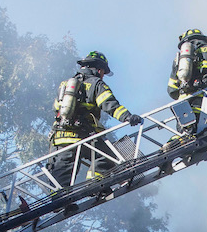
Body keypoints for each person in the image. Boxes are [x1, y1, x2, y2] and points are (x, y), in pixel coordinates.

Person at [48, 51, 142, 186]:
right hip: (83, 135)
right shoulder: (96, 83)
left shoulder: (65, 85)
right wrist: (128, 117)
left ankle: (59, 203)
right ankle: (96, 183)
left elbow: (56, 108)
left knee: (61, 171)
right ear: (99, 69)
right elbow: (110, 104)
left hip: (60, 137)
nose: (103, 76)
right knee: (108, 157)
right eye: (104, 72)